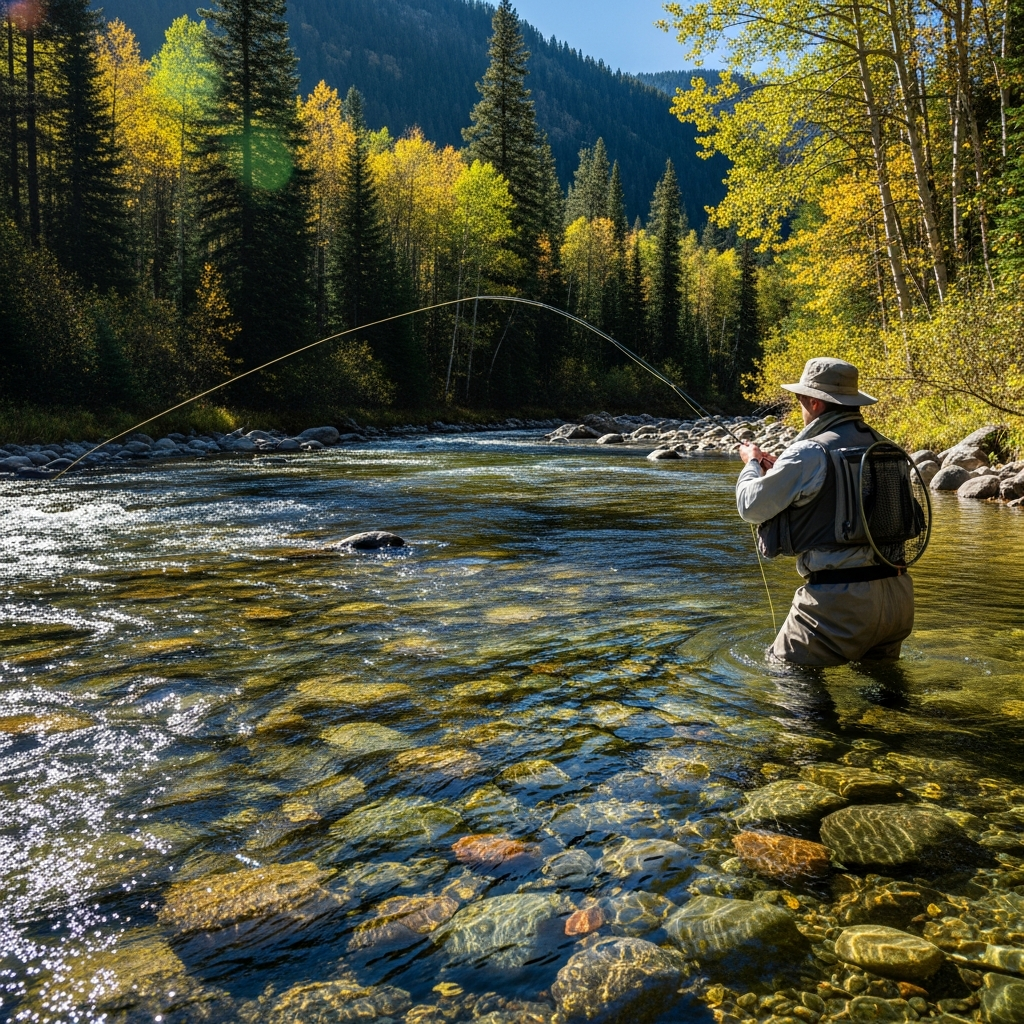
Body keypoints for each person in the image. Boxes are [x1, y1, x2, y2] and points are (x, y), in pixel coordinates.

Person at [736, 357, 914, 667]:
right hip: (897, 598)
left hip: (838, 603)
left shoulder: (808, 452)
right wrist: (785, 471)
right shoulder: (888, 447)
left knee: (787, 675)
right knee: (887, 696)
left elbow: (750, 506)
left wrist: (752, 463)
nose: (800, 405)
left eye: (800, 398)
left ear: (815, 403)